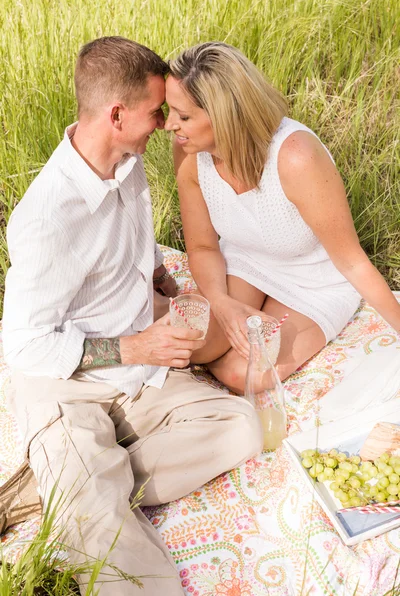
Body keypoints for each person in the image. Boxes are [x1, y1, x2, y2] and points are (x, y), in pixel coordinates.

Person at [1, 37, 263, 595]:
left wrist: (158, 279)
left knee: (241, 426)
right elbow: (21, 345)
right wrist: (135, 347)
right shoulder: (46, 220)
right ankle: (83, 491)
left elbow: (132, 248)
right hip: (65, 384)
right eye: (156, 112)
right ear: (116, 115)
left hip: (137, 378)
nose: (166, 123)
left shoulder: (127, 165)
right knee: (107, 533)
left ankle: (60, 487)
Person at [165, 41, 400, 394]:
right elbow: (201, 244)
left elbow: (352, 262)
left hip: (315, 281)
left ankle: (256, 332)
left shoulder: (295, 157)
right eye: (171, 111)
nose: (170, 125)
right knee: (192, 344)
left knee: (246, 374)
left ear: (225, 113)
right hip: (245, 262)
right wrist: (222, 303)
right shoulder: (189, 151)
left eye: (184, 117)